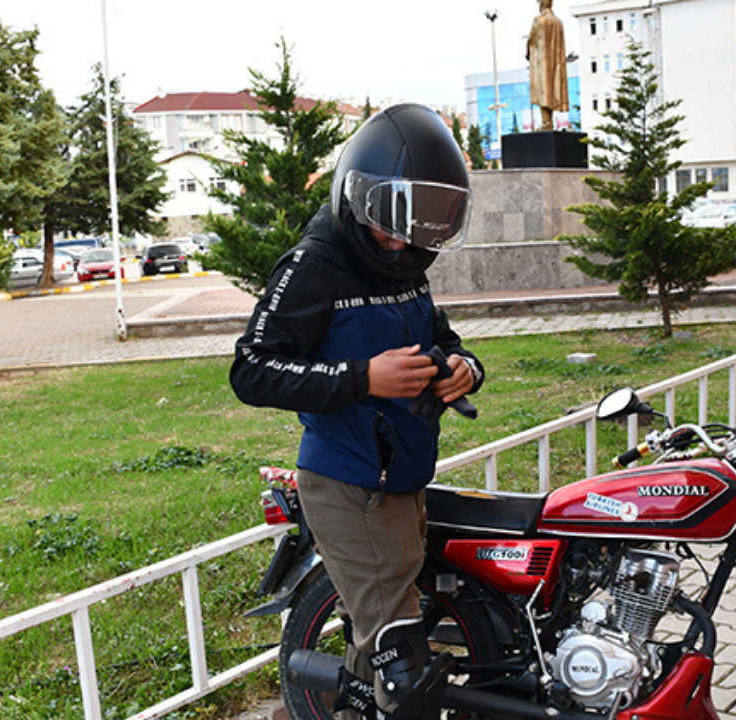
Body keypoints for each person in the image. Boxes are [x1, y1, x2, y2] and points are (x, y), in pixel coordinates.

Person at [229, 103, 485, 720]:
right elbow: (251, 370)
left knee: (380, 648)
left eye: (419, 226)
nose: (401, 241)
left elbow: (441, 339)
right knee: (403, 667)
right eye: (388, 223)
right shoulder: (314, 267)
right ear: (356, 197)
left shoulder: (406, 266)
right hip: (348, 483)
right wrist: (363, 378)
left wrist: (464, 368)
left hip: (400, 476)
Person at [527, 0, 569, 131]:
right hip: (555, 64)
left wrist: (527, 53)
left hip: (542, 62)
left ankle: (547, 121)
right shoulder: (558, 23)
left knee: (543, 90)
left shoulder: (539, 21)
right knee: (552, 90)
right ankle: (548, 121)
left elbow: (531, 40)